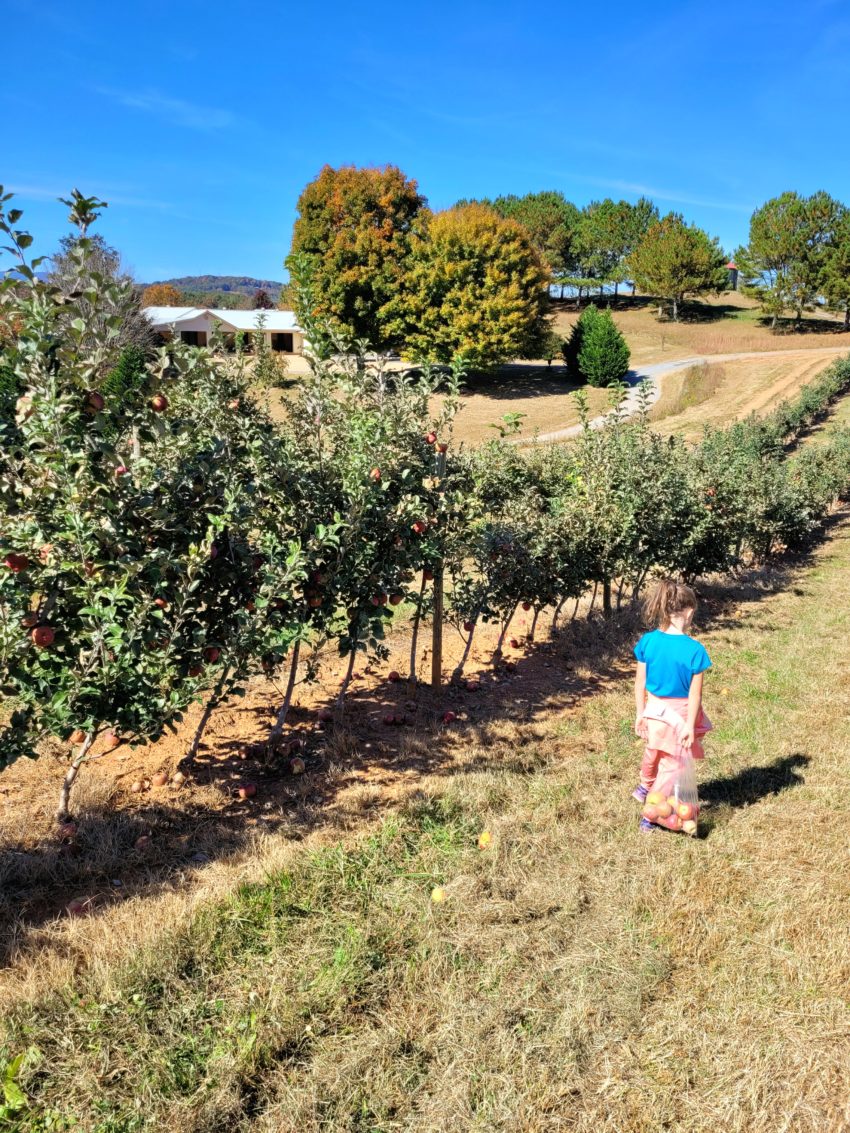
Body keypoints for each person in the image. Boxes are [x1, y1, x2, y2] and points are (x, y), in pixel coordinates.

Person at [633, 579, 712, 834]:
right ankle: (651, 811)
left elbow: (639, 683)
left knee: (653, 751)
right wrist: (689, 725)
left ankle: (644, 785)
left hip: (653, 710)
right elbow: (695, 695)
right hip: (678, 713)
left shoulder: (647, 642)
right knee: (673, 764)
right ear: (689, 612)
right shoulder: (695, 650)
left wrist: (639, 713)